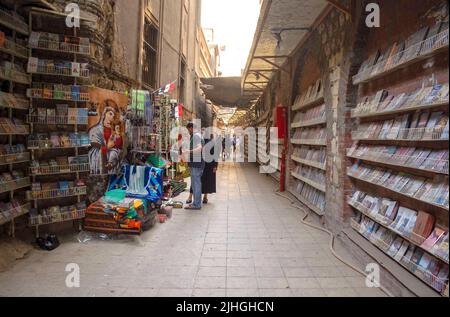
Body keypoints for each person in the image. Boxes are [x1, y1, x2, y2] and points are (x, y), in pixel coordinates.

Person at [186, 131, 219, 204]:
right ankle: (200, 197)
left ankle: (195, 198)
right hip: (206, 164)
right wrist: (215, 166)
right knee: (201, 181)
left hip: (203, 164)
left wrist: (215, 165)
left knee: (196, 181)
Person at [184, 122, 205, 210]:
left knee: (196, 184)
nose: (188, 131)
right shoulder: (198, 135)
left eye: (188, 129)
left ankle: (196, 204)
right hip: (197, 163)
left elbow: (200, 148)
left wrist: (189, 151)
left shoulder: (196, 136)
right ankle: (195, 203)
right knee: (195, 183)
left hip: (196, 164)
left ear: (191, 128)